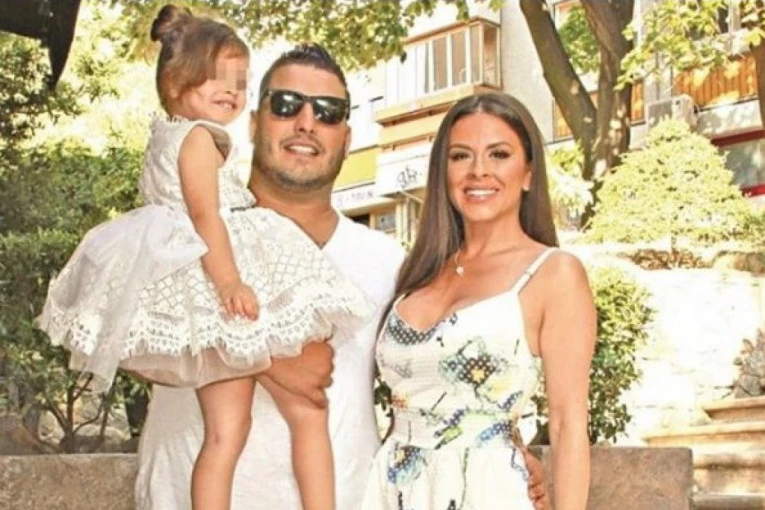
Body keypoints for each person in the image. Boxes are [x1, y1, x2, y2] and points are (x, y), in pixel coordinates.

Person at [135, 43, 552, 510]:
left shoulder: (392, 263)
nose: (306, 123)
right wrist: (267, 358)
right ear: (253, 122)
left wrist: (503, 451)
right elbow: (115, 338)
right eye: (286, 104)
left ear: (347, 138)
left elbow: (438, 379)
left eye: (328, 112)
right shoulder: (181, 229)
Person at [37, 6, 373, 510]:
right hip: (213, 300)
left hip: (216, 302)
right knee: (250, 426)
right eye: (284, 104)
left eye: (240, 83)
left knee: (237, 429)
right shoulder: (197, 143)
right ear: (177, 82)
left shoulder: (170, 141)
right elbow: (204, 219)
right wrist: (245, 308)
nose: (233, 92)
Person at [361, 93, 596, 509]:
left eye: (499, 154)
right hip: (395, 488)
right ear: (443, 172)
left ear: (528, 173)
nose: (478, 171)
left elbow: (567, 423)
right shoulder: (418, 271)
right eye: (460, 156)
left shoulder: (554, 274)